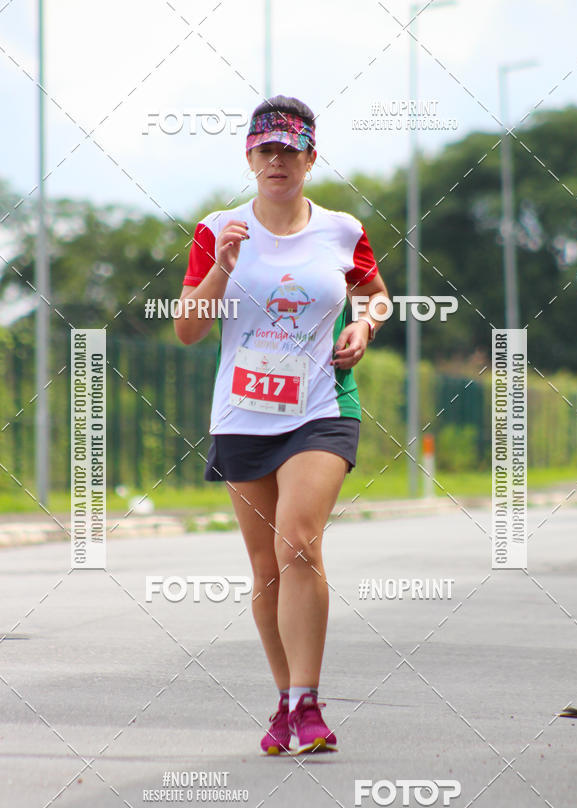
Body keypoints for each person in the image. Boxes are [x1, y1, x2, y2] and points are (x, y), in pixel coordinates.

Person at [175, 95, 389, 755]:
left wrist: (365, 325)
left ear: (310, 158)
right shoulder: (218, 229)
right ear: (249, 156)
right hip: (244, 415)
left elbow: (377, 295)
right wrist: (221, 268)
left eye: (290, 151)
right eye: (266, 150)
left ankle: (309, 702)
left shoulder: (342, 231)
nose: (278, 162)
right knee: (267, 569)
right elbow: (187, 330)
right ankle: (284, 702)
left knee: (298, 542)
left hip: (322, 408)